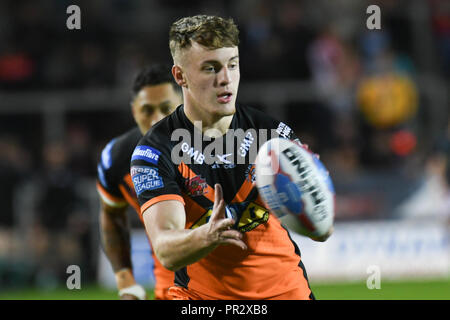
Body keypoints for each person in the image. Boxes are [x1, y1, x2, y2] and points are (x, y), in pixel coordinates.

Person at [130, 15, 332, 300]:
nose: (225, 79)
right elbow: (166, 249)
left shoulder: (271, 135)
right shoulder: (155, 150)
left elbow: (322, 230)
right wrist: (206, 236)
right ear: (180, 76)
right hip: (200, 298)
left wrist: (316, 203)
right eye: (210, 68)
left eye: (232, 65)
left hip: (285, 291)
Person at [96, 64, 182, 300]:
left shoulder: (219, 146)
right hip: (172, 287)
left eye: (166, 108)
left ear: (184, 103)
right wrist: (126, 283)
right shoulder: (117, 159)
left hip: (230, 281)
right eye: (147, 110)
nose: (157, 119)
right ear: (134, 111)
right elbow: (112, 215)